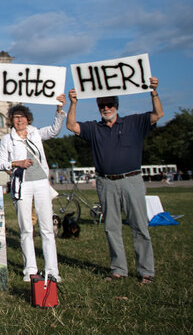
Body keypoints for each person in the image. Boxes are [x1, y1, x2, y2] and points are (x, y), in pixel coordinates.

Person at [66, 77, 163, 284]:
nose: (106, 108)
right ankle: (118, 269)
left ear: (116, 106)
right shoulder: (94, 128)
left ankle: (146, 271)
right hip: (106, 182)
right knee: (111, 227)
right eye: (102, 105)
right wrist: (73, 103)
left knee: (139, 226)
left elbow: (158, 114)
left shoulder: (134, 122)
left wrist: (153, 92)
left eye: (109, 104)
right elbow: (71, 125)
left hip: (131, 180)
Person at [0, 95, 66, 282]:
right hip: (22, 184)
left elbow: (53, 131)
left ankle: (52, 270)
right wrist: (16, 162)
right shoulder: (6, 139)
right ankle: (30, 270)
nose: (19, 120)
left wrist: (59, 110)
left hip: (41, 182)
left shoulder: (35, 133)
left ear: (28, 119)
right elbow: (0, 163)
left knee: (47, 228)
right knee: (26, 228)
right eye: (16, 117)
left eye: (22, 117)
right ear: (11, 120)